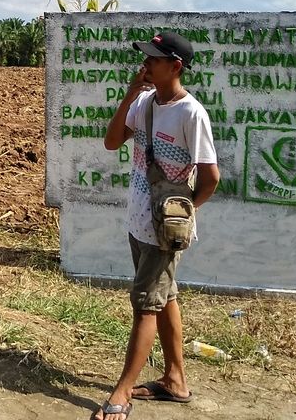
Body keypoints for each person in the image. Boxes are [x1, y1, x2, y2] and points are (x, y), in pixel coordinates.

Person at [94, 31, 221, 420]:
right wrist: (131, 94)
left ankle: (122, 391)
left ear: (176, 67)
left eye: (153, 59)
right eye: (145, 58)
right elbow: (112, 142)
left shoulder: (190, 113)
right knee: (165, 297)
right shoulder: (147, 103)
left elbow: (210, 175)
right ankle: (175, 380)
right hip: (138, 220)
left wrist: (184, 213)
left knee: (146, 306)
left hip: (163, 230)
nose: (146, 64)